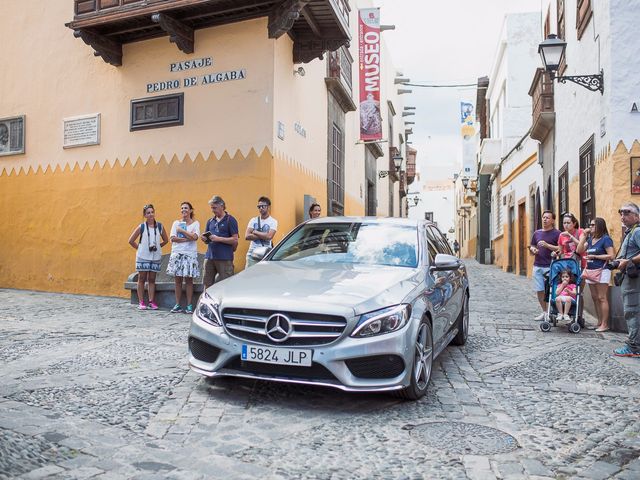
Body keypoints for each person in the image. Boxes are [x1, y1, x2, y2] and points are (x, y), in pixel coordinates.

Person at [127, 204, 168, 310]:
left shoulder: (159, 226)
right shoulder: (142, 227)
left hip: (155, 256)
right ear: (145, 215)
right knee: (141, 278)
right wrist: (140, 249)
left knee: (152, 279)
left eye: (152, 212)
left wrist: (158, 247)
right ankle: (141, 302)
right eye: (148, 213)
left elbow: (166, 240)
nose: (151, 214)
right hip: (143, 256)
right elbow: (131, 240)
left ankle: (151, 301)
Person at [577, 217, 615, 332]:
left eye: (593, 225)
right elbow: (579, 250)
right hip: (590, 271)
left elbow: (611, 256)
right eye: (590, 225)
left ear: (599, 226)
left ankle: (605, 324)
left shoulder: (606, 239)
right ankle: (599, 322)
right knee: (594, 298)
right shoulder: (590, 240)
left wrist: (595, 257)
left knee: (601, 297)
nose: (590, 227)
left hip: (602, 270)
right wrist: (583, 236)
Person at [613, 202, 640, 357]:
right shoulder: (631, 232)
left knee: (632, 311)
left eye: (627, 213)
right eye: (621, 213)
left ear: (637, 216)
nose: (623, 216)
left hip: (634, 279)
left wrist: (628, 262)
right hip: (629, 278)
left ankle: (634, 347)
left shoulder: (637, 232)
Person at [167, 202, 200, 314]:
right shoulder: (176, 223)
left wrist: (182, 231)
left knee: (189, 280)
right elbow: (173, 238)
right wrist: (187, 238)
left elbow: (195, 237)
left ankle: (189, 305)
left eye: (186, 208)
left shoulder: (195, 224)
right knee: (178, 280)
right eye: (182, 208)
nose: (183, 210)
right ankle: (177, 304)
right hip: (177, 253)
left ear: (190, 210)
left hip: (189, 254)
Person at [529, 210, 561, 320]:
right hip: (537, 265)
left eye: (547, 218)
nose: (545, 219)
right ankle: (544, 312)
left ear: (553, 220)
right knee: (539, 289)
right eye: (543, 217)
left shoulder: (557, 233)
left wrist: (547, 245)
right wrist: (533, 249)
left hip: (551, 266)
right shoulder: (537, 233)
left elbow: (560, 248)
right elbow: (532, 246)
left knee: (551, 290)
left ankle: (551, 311)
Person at [201, 196, 238, 289]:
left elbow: (235, 239)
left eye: (214, 208)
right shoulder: (210, 221)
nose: (212, 210)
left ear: (222, 206)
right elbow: (208, 238)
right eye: (211, 208)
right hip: (209, 257)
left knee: (226, 285)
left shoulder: (230, 220)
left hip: (224, 258)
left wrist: (218, 239)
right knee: (207, 283)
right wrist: (205, 239)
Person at [245, 196, 278, 268]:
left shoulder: (273, 221)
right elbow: (247, 236)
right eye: (259, 206)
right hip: (252, 253)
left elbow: (269, 237)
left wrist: (254, 232)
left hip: (265, 253)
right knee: (249, 276)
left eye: (263, 206)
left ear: (268, 207)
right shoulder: (253, 220)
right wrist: (264, 235)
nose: (260, 208)